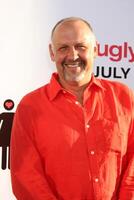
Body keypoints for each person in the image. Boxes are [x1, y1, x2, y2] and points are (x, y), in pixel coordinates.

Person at [10, 17, 134, 200]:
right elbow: (26, 178)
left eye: (80, 46)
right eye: (63, 48)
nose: (73, 55)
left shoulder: (124, 97)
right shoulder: (30, 107)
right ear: (52, 53)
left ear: (95, 50)